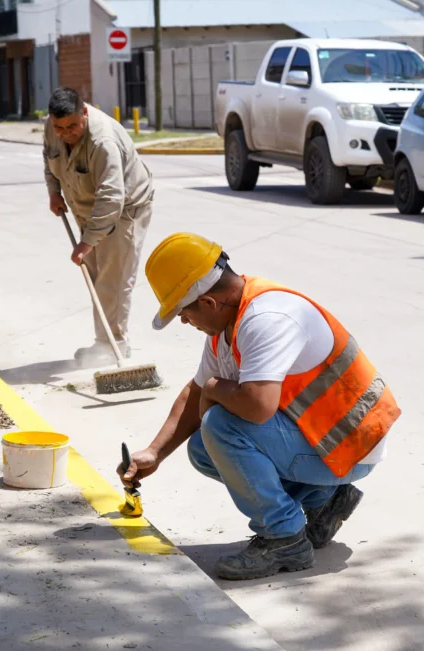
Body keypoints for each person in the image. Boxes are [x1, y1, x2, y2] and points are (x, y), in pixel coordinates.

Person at [116, 232, 401, 580]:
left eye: (183, 312)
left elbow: (256, 408)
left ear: (208, 302)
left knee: (222, 425)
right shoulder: (228, 322)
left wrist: (214, 389)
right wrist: (155, 452)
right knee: (204, 447)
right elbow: (196, 392)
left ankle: (283, 539)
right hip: (326, 441)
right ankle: (322, 499)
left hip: (352, 445)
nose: (184, 322)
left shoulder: (267, 317)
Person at [43, 87, 154, 362]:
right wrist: (54, 190)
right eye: (59, 127)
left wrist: (86, 242)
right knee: (95, 278)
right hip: (87, 209)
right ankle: (104, 342)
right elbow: (49, 157)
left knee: (113, 279)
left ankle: (116, 344)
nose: (65, 133)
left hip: (125, 208)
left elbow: (112, 197)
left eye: (72, 126)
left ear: (84, 113)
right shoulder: (51, 126)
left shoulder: (103, 141)